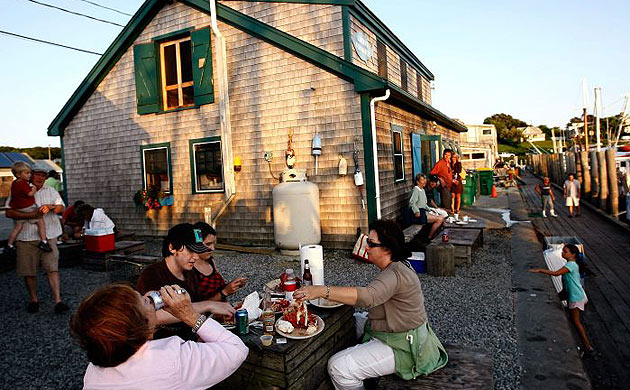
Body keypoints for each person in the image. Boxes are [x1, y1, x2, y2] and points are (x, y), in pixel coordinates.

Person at [293, 220, 448, 389]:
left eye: (371, 243)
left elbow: (368, 297)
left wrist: (322, 290)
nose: (365, 247)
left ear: (387, 249)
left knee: (338, 367)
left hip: (404, 346)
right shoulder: (395, 266)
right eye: (367, 241)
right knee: (350, 321)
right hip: (396, 330)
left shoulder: (395, 274)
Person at [70, 283, 248, 390]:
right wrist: (190, 315)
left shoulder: (93, 372)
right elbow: (236, 350)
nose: (149, 296)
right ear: (145, 324)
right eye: (145, 301)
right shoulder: (172, 358)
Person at [137, 223, 234, 340]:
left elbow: (196, 306)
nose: (196, 257)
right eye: (190, 250)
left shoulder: (190, 272)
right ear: (172, 248)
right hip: (166, 345)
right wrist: (208, 305)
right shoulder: (152, 274)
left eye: (198, 251)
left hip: (192, 339)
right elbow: (155, 316)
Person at [5, 162, 68, 313]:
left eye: (43, 175)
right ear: (30, 175)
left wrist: (51, 207)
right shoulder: (19, 188)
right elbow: (8, 212)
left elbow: (61, 207)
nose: (40, 178)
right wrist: (31, 215)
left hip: (49, 235)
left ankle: (58, 300)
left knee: (52, 269)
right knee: (29, 271)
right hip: (25, 237)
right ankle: (34, 300)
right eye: (37, 174)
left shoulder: (51, 190)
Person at [529, 244, 594, 356]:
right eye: (563, 251)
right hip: (569, 294)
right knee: (566, 314)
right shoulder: (570, 264)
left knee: (576, 321)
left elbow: (556, 274)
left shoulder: (571, 265)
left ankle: (588, 346)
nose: (562, 253)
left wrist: (540, 270)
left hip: (575, 297)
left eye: (565, 251)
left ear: (572, 255)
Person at [192, 222, 248, 302]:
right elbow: (195, 307)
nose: (212, 248)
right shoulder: (189, 268)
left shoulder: (210, 261)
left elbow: (216, 290)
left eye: (213, 244)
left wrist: (232, 285)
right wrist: (225, 292)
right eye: (208, 244)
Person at [4, 162, 52, 255]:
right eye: (27, 173)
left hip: (18, 208)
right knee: (40, 221)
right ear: (18, 174)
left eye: (30, 173)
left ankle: (9, 245)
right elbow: (30, 194)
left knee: (18, 227)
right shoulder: (23, 183)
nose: (29, 175)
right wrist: (33, 189)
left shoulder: (14, 183)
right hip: (27, 207)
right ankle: (44, 241)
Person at [406, 174, 445, 239]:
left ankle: (437, 234)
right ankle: (429, 237)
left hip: (423, 211)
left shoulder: (422, 190)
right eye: (422, 180)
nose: (424, 181)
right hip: (417, 214)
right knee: (440, 219)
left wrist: (430, 210)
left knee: (442, 216)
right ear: (417, 182)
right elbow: (412, 202)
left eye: (425, 180)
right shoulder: (416, 189)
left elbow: (424, 204)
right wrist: (416, 211)